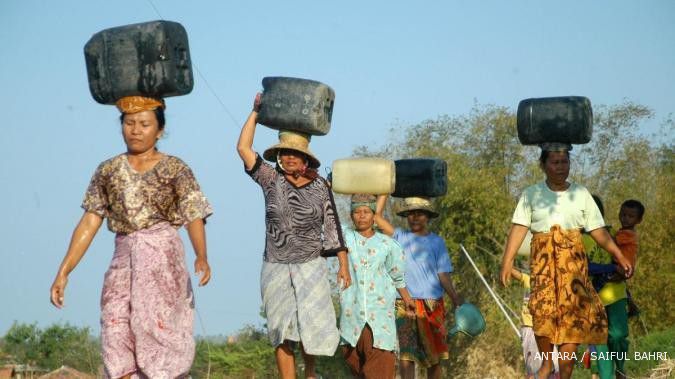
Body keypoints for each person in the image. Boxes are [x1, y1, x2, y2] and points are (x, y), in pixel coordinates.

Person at [50, 96, 213, 379]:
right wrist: (64, 271)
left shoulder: (176, 168)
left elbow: (193, 214)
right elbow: (90, 220)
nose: (136, 130)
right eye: (129, 123)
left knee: (157, 329)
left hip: (162, 259)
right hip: (123, 258)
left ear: (159, 130)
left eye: (144, 124)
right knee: (115, 326)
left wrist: (202, 255)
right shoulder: (108, 170)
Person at [237, 93, 350, 379]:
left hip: (310, 265)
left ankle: (310, 373)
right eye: (283, 152)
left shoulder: (320, 186)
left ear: (304, 158)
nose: (287, 157)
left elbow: (332, 224)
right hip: (275, 264)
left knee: (311, 325)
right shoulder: (270, 179)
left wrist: (343, 264)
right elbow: (243, 148)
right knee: (280, 327)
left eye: (293, 153)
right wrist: (255, 113)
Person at [499, 143, 633, 379]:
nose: (561, 168)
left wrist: (620, 255)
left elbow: (598, 230)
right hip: (543, 265)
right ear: (543, 165)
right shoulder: (531, 194)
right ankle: (547, 365)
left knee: (572, 325)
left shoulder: (580, 194)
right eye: (555, 162)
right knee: (542, 315)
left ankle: (565, 372)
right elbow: (519, 228)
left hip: (572, 268)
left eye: (565, 162)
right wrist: (507, 262)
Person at [377, 196, 463, 379]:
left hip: (432, 304)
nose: (415, 218)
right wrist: (383, 194)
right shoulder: (400, 236)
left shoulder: (437, 242)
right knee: (407, 355)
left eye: (420, 214)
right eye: (411, 214)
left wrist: (455, 298)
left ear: (428, 217)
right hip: (405, 302)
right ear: (406, 217)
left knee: (435, 356)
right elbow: (376, 218)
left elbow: (443, 274)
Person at [339, 194, 416, 378]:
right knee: (358, 370)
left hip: (380, 321)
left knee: (379, 369)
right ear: (351, 216)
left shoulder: (387, 245)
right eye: (357, 212)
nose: (362, 216)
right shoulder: (345, 237)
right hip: (351, 321)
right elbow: (326, 219)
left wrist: (407, 299)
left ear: (374, 215)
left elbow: (397, 275)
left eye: (366, 211)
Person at [586, 198, 644, 379]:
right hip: (592, 297)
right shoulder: (577, 239)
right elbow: (584, 267)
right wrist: (611, 268)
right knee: (600, 341)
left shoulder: (611, 234)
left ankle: (620, 368)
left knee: (618, 335)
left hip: (616, 293)